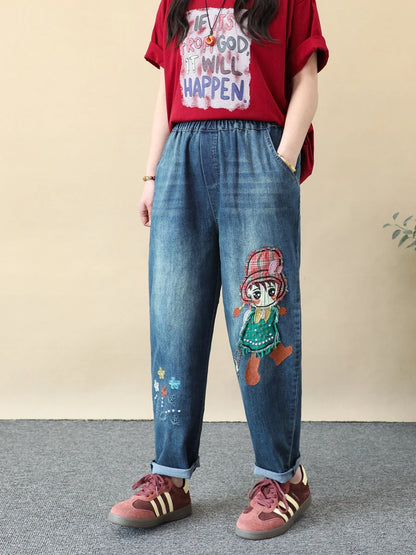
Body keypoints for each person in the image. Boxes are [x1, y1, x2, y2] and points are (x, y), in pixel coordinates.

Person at [109, 0, 329, 540]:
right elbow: (167, 92)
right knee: (174, 320)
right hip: (181, 160)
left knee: (261, 323)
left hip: (257, 157)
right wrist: (152, 175)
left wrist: (281, 161)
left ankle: (283, 476)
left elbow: (305, 81)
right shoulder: (175, 3)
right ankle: (169, 476)